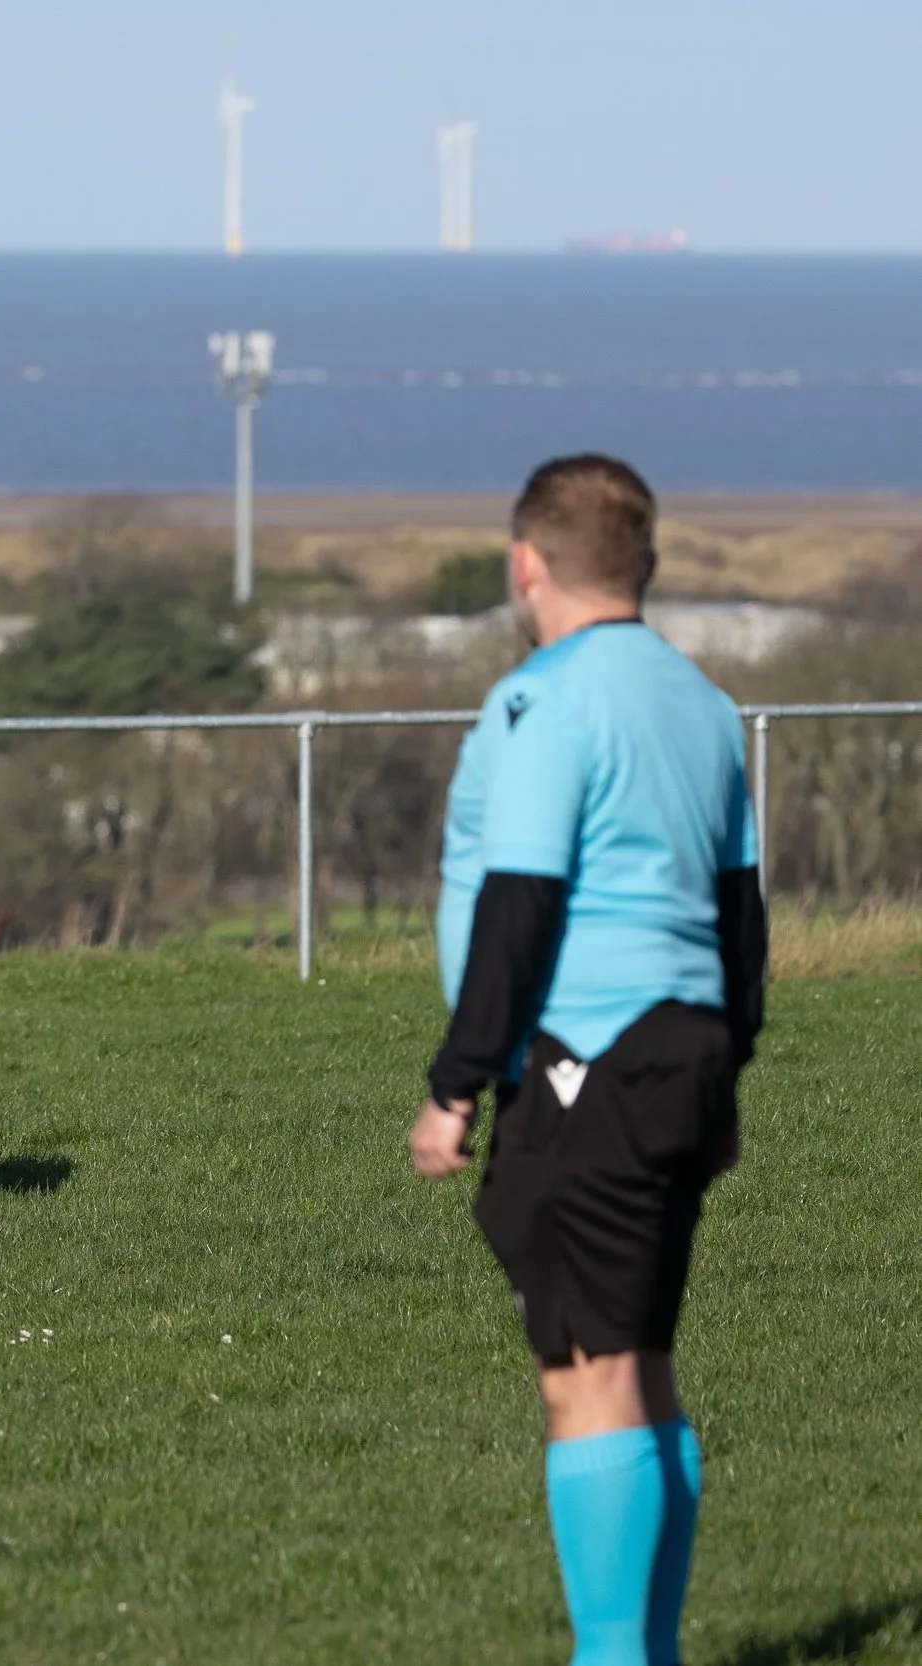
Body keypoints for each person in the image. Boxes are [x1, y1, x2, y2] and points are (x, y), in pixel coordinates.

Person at [409, 456, 764, 1665]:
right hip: (683, 1055)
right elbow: (739, 917)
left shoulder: (541, 701)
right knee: (641, 1367)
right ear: (645, 567)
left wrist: (457, 1082)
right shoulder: (705, 705)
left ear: (527, 565)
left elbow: (522, 899)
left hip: (585, 1064)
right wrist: (727, 1074)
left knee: (587, 1377)